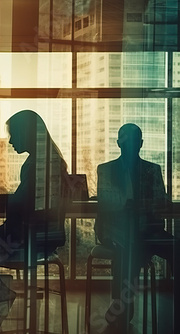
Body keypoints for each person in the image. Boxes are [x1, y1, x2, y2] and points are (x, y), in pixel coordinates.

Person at [0, 110, 69, 333]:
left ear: (26, 133)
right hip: (39, 236)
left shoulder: (37, 164)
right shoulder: (48, 160)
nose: (10, 141)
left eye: (13, 134)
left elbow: (22, 203)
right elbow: (26, 201)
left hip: (25, 238)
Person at [96, 123, 178, 329]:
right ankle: (123, 304)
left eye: (134, 142)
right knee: (129, 248)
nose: (131, 147)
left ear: (140, 144)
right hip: (119, 231)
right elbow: (106, 201)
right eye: (128, 143)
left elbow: (162, 201)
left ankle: (122, 304)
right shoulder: (106, 170)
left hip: (145, 231)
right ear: (119, 144)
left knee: (145, 248)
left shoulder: (151, 170)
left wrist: (138, 205)